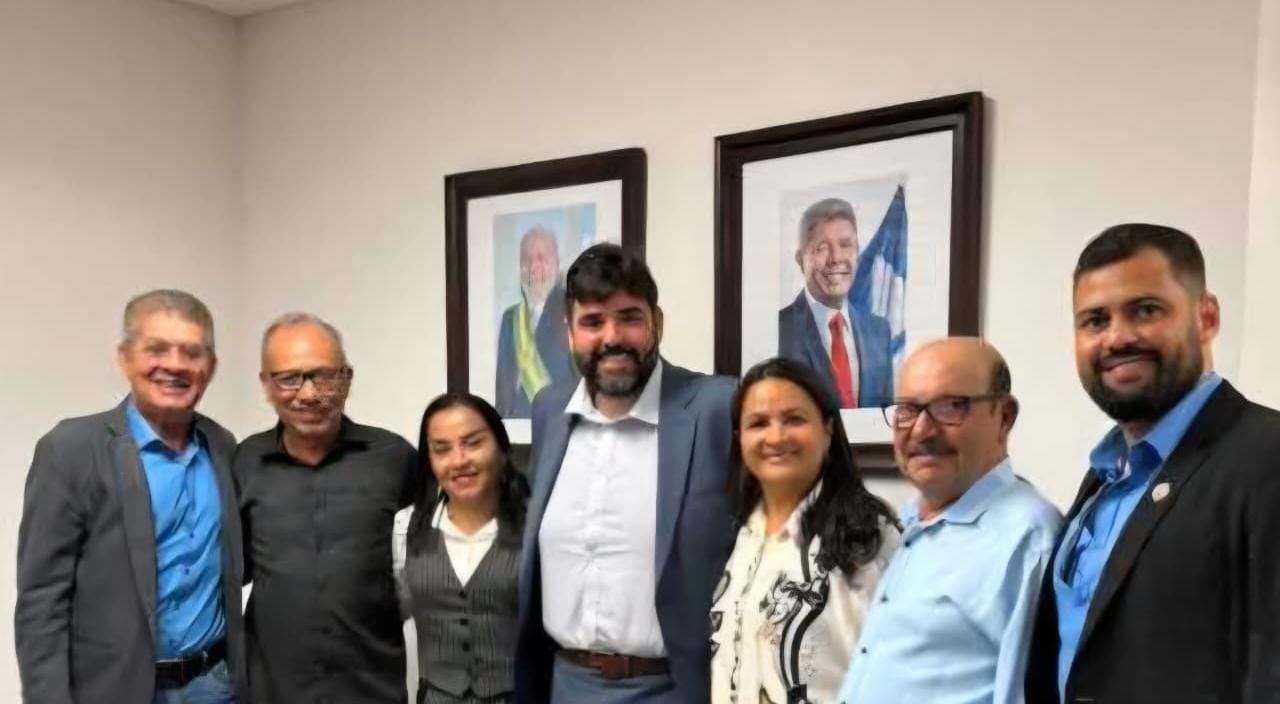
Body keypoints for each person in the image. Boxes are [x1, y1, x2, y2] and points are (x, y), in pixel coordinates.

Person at [1025, 224, 1280, 703]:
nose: (1117, 338)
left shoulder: (1266, 456)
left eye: (1145, 310)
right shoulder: (1103, 481)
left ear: (1206, 317)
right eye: (1095, 320)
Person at [514, 243, 737, 704]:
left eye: (630, 317)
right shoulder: (550, 410)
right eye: (593, 322)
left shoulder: (717, 408)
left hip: (676, 688)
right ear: (569, 332)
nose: (612, 336)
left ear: (657, 323)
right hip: (565, 684)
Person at [16, 289, 248, 703]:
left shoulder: (224, 447)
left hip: (215, 687)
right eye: (156, 349)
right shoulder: (71, 449)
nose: (174, 364)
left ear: (210, 367)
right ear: (124, 357)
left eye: (192, 353)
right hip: (117, 691)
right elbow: (42, 602)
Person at [839, 337, 1061, 704]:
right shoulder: (912, 521)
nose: (921, 430)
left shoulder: (1027, 540)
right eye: (907, 409)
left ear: (1004, 417)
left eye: (950, 406)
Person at [234, 312, 419, 703]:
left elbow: (438, 543)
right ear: (266, 384)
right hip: (274, 691)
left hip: (372, 690)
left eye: (323, 376)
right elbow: (231, 569)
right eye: (288, 378)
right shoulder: (244, 463)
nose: (307, 394)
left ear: (347, 378)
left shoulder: (394, 458)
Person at [709, 357, 899, 704]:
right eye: (758, 423)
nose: (776, 436)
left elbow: (902, 674)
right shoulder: (743, 535)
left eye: (794, 419)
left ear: (828, 430)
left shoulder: (871, 536)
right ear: (739, 438)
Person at [399, 393, 528, 704]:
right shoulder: (404, 527)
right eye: (441, 449)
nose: (458, 461)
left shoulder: (538, 527)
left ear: (502, 449)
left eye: (473, 443)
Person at [778, 198, 893, 409]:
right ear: (800, 259)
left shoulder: (879, 332)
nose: (836, 258)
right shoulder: (779, 330)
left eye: (845, 245)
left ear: (857, 253)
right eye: (821, 248)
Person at [496, 226, 578, 418]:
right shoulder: (510, 318)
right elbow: (504, 389)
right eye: (526, 259)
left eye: (541, 258)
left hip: (562, 425)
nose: (533, 267)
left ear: (557, 263)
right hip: (518, 426)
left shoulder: (575, 310)